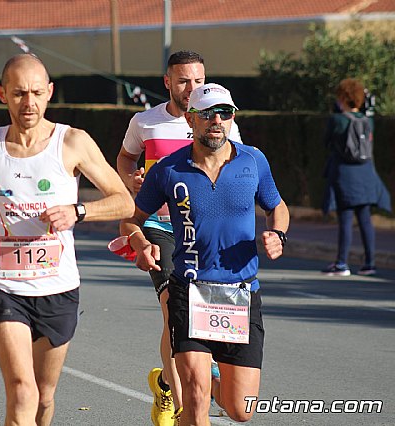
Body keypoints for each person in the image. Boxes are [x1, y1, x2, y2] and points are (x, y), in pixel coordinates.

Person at [0, 53, 133, 426]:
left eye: (36, 92)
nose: (28, 103)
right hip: (4, 285)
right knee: (21, 390)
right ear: (3, 94)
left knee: (44, 397)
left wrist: (78, 211)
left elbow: (123, 200)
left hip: (58, 288)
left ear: (49, 93)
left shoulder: (73, 143)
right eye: (18, 93)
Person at [120, 83, 290, 425]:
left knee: (240, 410)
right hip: (189, 292)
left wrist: (278, 234)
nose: (217, 120)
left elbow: (278, 206)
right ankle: (184, 387)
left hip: (240, 294)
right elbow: (132, 221)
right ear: (190, 119)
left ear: (232, 119)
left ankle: (202, 385)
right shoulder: (168, 170)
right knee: (194, 399)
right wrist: (140, 243)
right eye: (208, 113)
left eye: (224, 113)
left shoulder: (253, 161)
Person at [116, 50, 242, 425]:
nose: (192, 88)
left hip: (205, 229)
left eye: (199, 80)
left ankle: (168, 384)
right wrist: (132, 178)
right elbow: (125, 158)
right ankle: (187, 402)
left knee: (202, 309)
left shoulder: (221, 121)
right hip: (160, 224)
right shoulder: (145, 122)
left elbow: (237, 164)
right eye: (184, 80)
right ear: (167, 82)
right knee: (174, 306)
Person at [321, 78, 392, 277]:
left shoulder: (337, 120)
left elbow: (326, 142)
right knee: (365, 219)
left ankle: (342, 263)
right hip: (366, 173)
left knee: (345, 219)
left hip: (345, 173)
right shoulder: (367, 120)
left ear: (342, 97)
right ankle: (369, 263)